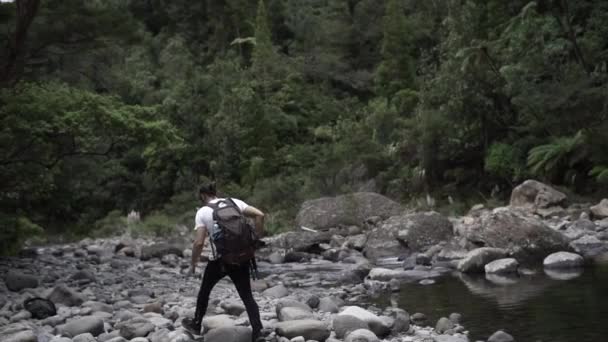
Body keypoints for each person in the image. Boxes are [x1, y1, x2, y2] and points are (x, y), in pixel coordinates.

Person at [182, 182, 266, 342]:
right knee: (247, 296)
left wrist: (193, 263)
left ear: (202, 195)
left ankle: (196, 324)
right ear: (216, 192)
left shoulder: (203, 212)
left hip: (220, 261)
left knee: (205, 291)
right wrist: (255, 240)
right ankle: (258, 332)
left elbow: (199, 243)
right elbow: (260, 215)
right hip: (242, 257)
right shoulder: (234, 202)